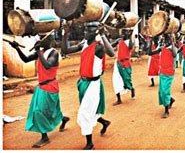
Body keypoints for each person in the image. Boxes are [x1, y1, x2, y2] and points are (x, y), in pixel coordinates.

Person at [7, 34, 70, 148]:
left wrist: (38, 52)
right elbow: (25, 59)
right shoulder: (39, 52)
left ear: (50, 40)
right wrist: (17, 48)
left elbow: (47, 65)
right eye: (39, 38)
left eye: (43, 39)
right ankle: (63, 119)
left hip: (50, 86)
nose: (40, 40)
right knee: (47, 110)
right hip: (41, 86)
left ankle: (44, 137)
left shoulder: (54, 53)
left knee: (39, 111)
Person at [62, 21, 114, 150]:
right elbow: (65, 50)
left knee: (85, 112)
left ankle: (89, 143)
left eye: (89, 30)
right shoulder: (84, 44)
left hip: (93, 84)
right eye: (85, 29)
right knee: (89, 110)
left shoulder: (99, 47)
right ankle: (104, 122)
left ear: (96, 31)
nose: (85, 32)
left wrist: (103, 35)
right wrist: (65, 33)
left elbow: (112, 53)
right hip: (83, 82)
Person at [148, 34, 177, 118]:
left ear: (171, 40)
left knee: (164, 91)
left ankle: (166, 111)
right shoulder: (161, 48)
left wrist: (173, 43)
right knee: (162, 91)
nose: (166, 41)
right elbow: (150, 53)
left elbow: (175, 54)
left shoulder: (172, 48)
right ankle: (171, 100)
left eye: (168, 39)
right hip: (162, 73)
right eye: (165, 39)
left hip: (169, 73)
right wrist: (150, 41)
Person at [112, 29, 136, 105]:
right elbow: (111, 45)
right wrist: (116, 41)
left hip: (125, 63)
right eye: (122, 32)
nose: (122, 34)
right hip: (118, 63)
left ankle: (131, 89)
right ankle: (119, 99)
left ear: (128, 33)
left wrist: (132, 36)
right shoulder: (119, 40)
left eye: (125, 32)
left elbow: (131, 46)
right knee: (115, 80)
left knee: (127, 80)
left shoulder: (130, 41)